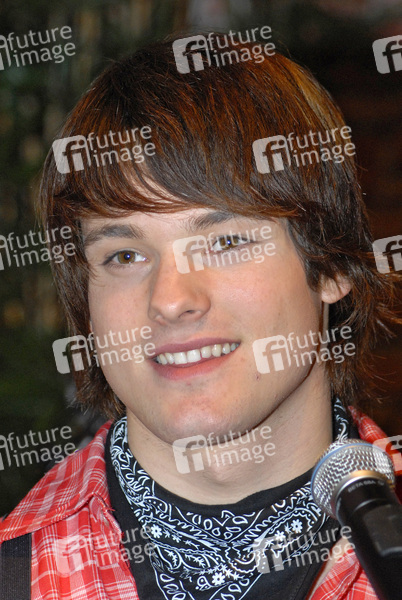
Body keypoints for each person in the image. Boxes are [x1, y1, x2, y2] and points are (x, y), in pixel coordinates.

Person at [0, 33, 400, 600]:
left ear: (331, 265)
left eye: (227, 241)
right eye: (125, 255)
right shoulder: (13, 574)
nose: (170, 299)